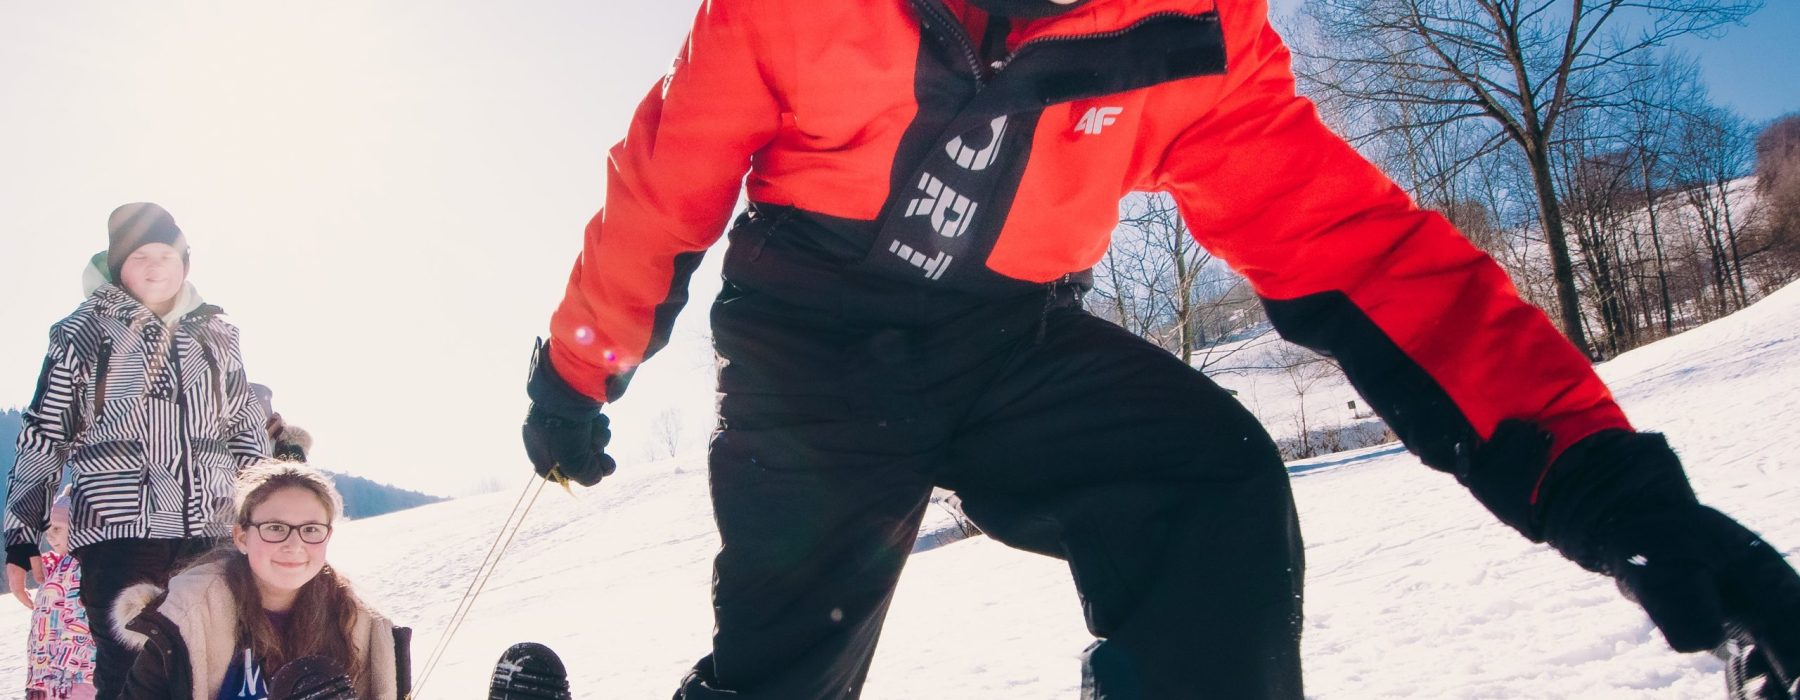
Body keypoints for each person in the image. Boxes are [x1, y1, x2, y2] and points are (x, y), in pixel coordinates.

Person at [519, 0, 1800, 697]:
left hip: (1009, 340)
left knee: (1209, 481)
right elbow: (666, 191)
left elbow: (1359, 253)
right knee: (794, 654)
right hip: (812, 351)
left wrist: (1603, 481)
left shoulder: (1187, 36)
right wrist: (577, 373)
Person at [4, 202, 271, 699]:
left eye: (165, 256)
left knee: (214, 665)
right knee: (135, 673)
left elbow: (244, 429)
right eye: (139, 257)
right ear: (118, 267)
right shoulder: (84, 332)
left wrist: (268, 513)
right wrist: (21, 536)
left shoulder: (217, 334)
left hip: (210, 530)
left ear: (183, 263)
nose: (154, 268)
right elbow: (45, 433)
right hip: (121, 534)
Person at [111, 461, 410, 700]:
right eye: (276, 527)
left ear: (327, 537)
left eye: (311, 529)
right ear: (242, 537)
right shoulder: (188, 617)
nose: (294, 545)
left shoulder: (359, 625)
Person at [24, 490, 98, 700]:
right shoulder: (58, 568)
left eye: (57, 528)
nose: (50, 536)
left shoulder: (81, 566)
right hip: (50, 679)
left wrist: (62, 675)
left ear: (78, 527)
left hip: (74, 678)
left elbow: (80, 624)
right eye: (47, 530)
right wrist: (37, 681)